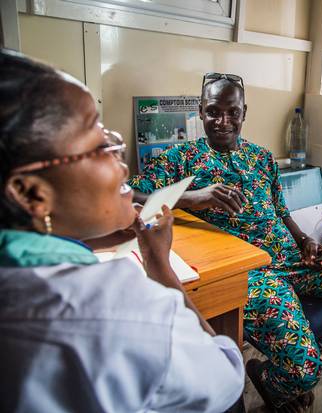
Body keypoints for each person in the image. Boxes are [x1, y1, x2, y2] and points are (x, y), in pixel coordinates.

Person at [128, 72, 322, 411]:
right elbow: (128, 195)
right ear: (200, 111)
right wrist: (192, 197)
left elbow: (280, 210)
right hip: (251, 273)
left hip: (293, 259)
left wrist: (304, 241)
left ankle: (284, 374)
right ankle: (284, 378)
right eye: (213, 111)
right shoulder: (180, 159)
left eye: (232, 112)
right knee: (305, 369)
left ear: (244, 112)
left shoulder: (261, 157)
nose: (223, 121)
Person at [0, 50, 244, 413]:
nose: (121, 166)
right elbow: (224, 378)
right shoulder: (120, 312)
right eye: (100, 147)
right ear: (30, 192)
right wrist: (159, 265)